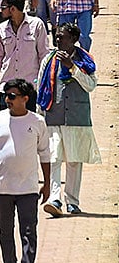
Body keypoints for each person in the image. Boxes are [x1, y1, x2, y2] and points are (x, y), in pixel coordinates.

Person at [0, 78, 51, 263]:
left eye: (12, 96)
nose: (7, 100)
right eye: (6, 96)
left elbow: (45, 154)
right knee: (5, 233)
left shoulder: (37, 122)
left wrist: (47, 183)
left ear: (25, 98)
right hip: (2, 189)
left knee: (29, 232)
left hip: (28, 189)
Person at [36, 22, 100, 217]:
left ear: (73, 39)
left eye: (61, 36)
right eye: (56, 36)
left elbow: (91, 85)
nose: (57, 39)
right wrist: (40, 116)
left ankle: (72, 201)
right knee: (54, 157)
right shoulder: (49, 60)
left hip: (76, 117)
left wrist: (72, 68)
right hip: (53, 115)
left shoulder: (85, 60)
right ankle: (54, 199)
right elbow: (41, 88)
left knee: (74, 160)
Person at [0, 0, 48, 111]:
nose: (0, 10)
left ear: (12, 9)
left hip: (30, 89)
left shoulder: (37, 25)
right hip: (7, 88)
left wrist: (44, 84)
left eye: (3, 7)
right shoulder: (1, 29)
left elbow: (44, 56)